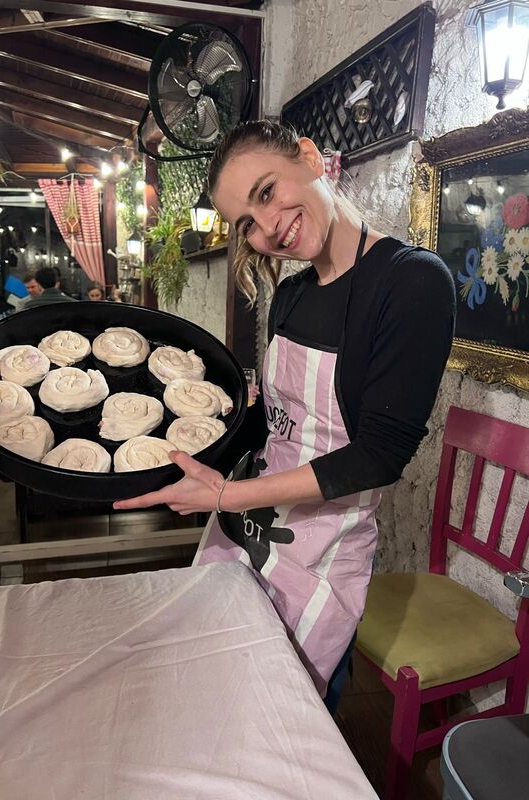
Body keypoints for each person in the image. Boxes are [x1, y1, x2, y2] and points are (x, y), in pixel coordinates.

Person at [114, 120, 456, 705]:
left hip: (323, 553)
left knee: (285, 714)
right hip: (251, 530)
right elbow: (269, 421)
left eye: (267, 192)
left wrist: (226, 496)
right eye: (246, 221)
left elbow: (379, 456)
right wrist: (175, 448)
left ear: (310, 158)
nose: (269, 226)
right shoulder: (293, 296)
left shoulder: (412, 282)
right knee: (216, 693)